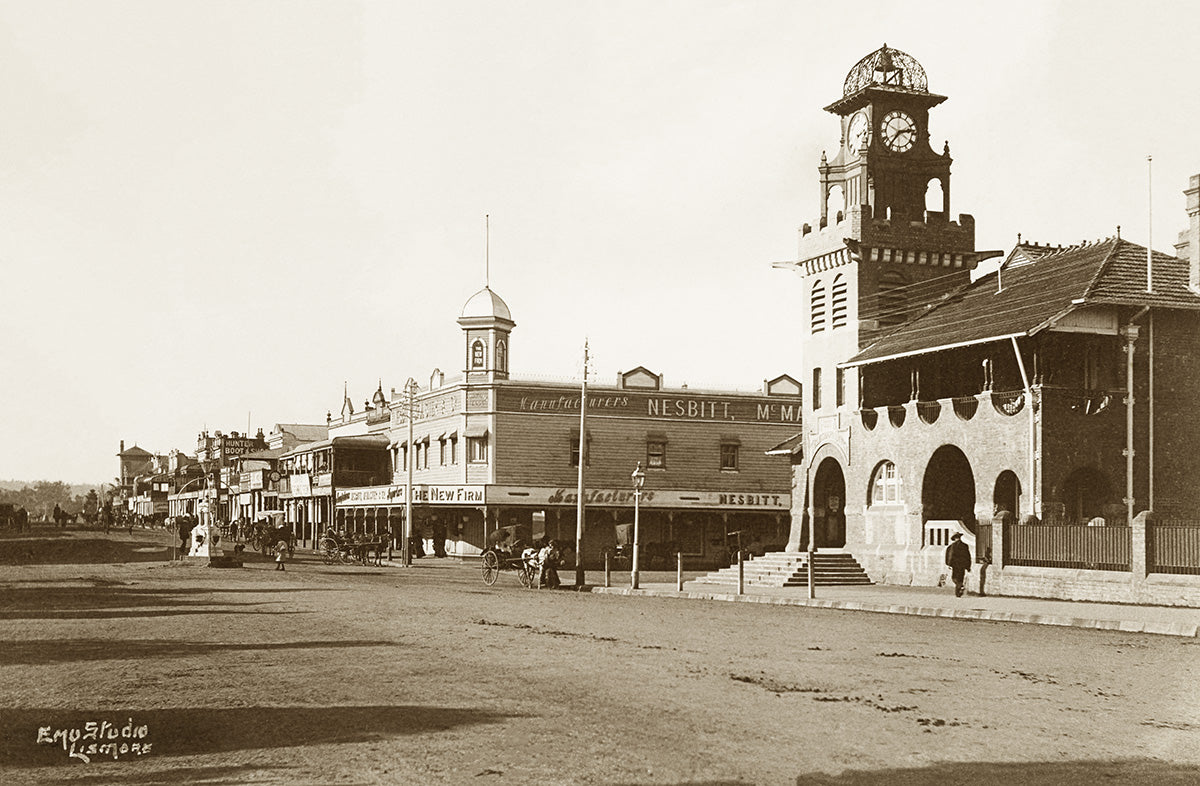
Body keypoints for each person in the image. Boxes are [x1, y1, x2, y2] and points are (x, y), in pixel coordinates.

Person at [945, 532, 972, 597]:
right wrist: (968, 566)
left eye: (957, 538)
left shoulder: (959, 546)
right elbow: (967, 557)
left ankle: (958, 591)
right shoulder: (952, 547)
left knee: (957, 578)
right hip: (958, 565)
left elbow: (967, 556)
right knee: (956, 578)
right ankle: (959, 587)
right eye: (956, 538)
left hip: (958, 565)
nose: (957, 539)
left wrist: (948, 564)